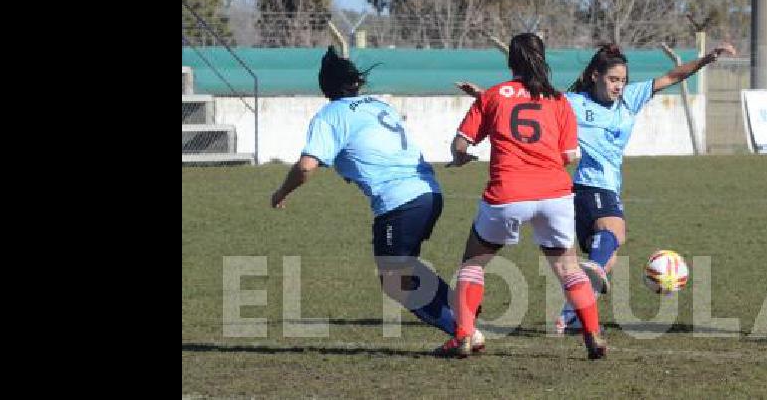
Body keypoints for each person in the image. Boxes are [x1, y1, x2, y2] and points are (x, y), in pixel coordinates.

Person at [456, 41, 737, 334]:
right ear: (595, 76)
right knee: (615, 232)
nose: (618, 86)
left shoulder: (630, 98)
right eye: (613, 79)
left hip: (594, 189)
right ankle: (594, 272)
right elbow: (530, 106)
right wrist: (484, 95)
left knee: (606, 252)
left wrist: (707, 59)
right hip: (585, 183)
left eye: (623, 80)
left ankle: (569, 315)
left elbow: (673, 76)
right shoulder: (574, 102)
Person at [270, 47, 482, 351]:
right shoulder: (379, 105)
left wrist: (281, 193)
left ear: (325, 86)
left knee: (394, 279)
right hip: (429, 192)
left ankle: (463, 330)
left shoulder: (331, 115)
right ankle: (461, 306)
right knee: (404, 265)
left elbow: (306, 167)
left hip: (399, 202)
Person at [438, 32, 607, 359]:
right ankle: (594, 335)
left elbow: (460, 146)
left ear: (510, 61)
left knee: (473, 263)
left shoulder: (492, 96)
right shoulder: (558, 100)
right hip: (554, 194)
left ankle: (462, 334)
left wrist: (461, 160)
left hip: (507, 193)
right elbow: (570, 155)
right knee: (569, 269)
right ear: (542, 58)